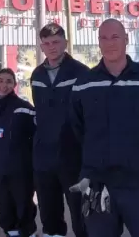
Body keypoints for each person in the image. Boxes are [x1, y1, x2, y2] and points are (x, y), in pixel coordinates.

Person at [69, 18, 139, 237]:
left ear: (126, 39)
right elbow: (78, 129)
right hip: (95, 183)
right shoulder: (84, 84)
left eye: (115, 37)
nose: (110, 43)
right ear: (98, 42)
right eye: (104, 38)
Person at [30, 23, 90, 237]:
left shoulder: (81, 73)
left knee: (81, 215)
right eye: (46, 44)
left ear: (65, 42)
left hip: (73, 158)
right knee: (49, 215)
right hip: (44, 159)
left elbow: (89, 117)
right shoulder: (37, 75)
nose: (51, 47)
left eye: (55, 42)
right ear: (41, 47)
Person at [0, 68, 39, 237]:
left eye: (9, 81)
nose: (4, 85)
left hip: (21, 170)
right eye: (0, 81)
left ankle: (28, 233)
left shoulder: (25, 109)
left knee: (23, 206)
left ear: (15, 85)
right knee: (4, 206)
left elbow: (37, 138)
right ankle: (11, 233)